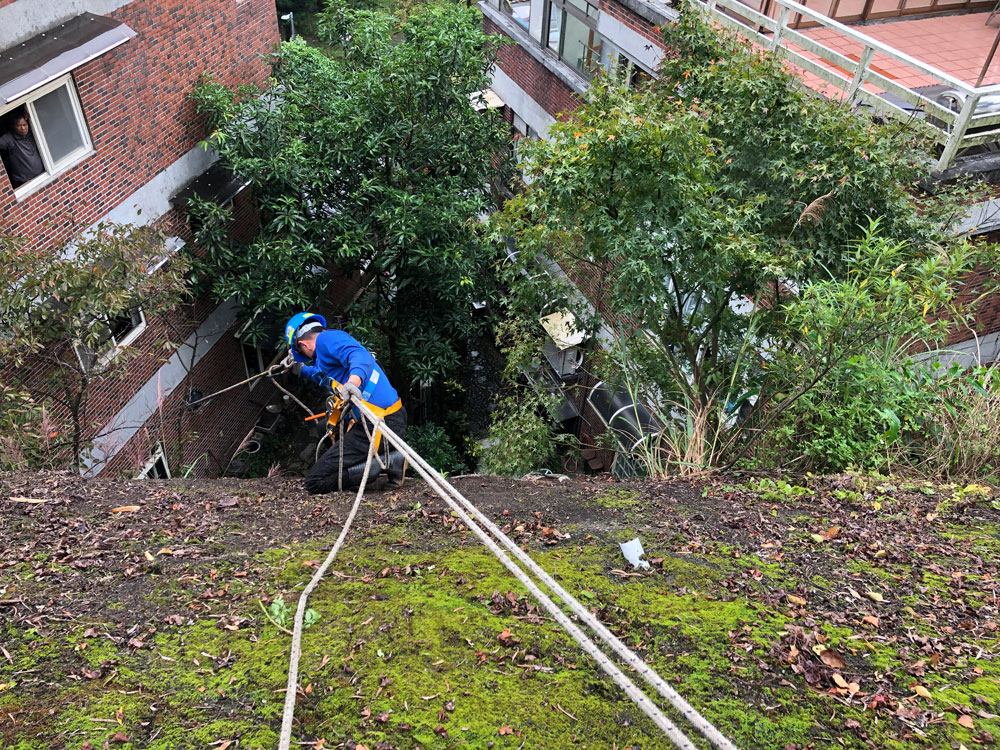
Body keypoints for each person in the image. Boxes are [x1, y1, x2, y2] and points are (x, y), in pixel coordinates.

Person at [285, 312, 407, 493]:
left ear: (303, 345)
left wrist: (353, 382)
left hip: (380, 424)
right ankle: (375, 461)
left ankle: (382, 464)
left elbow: (359, 355)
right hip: (385, 420)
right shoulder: (325, 354)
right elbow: (322, 376)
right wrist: (300, 369)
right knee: (324, 428)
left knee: (315, 482)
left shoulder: (326, 339)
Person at [0, 114, 44, 189]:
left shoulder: (33, 131)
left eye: (24, 125)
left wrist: (30, 114)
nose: (23, 128)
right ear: (13, 127)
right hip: (24, 182)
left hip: (42, 175)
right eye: (19, 126)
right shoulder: (10, 138)